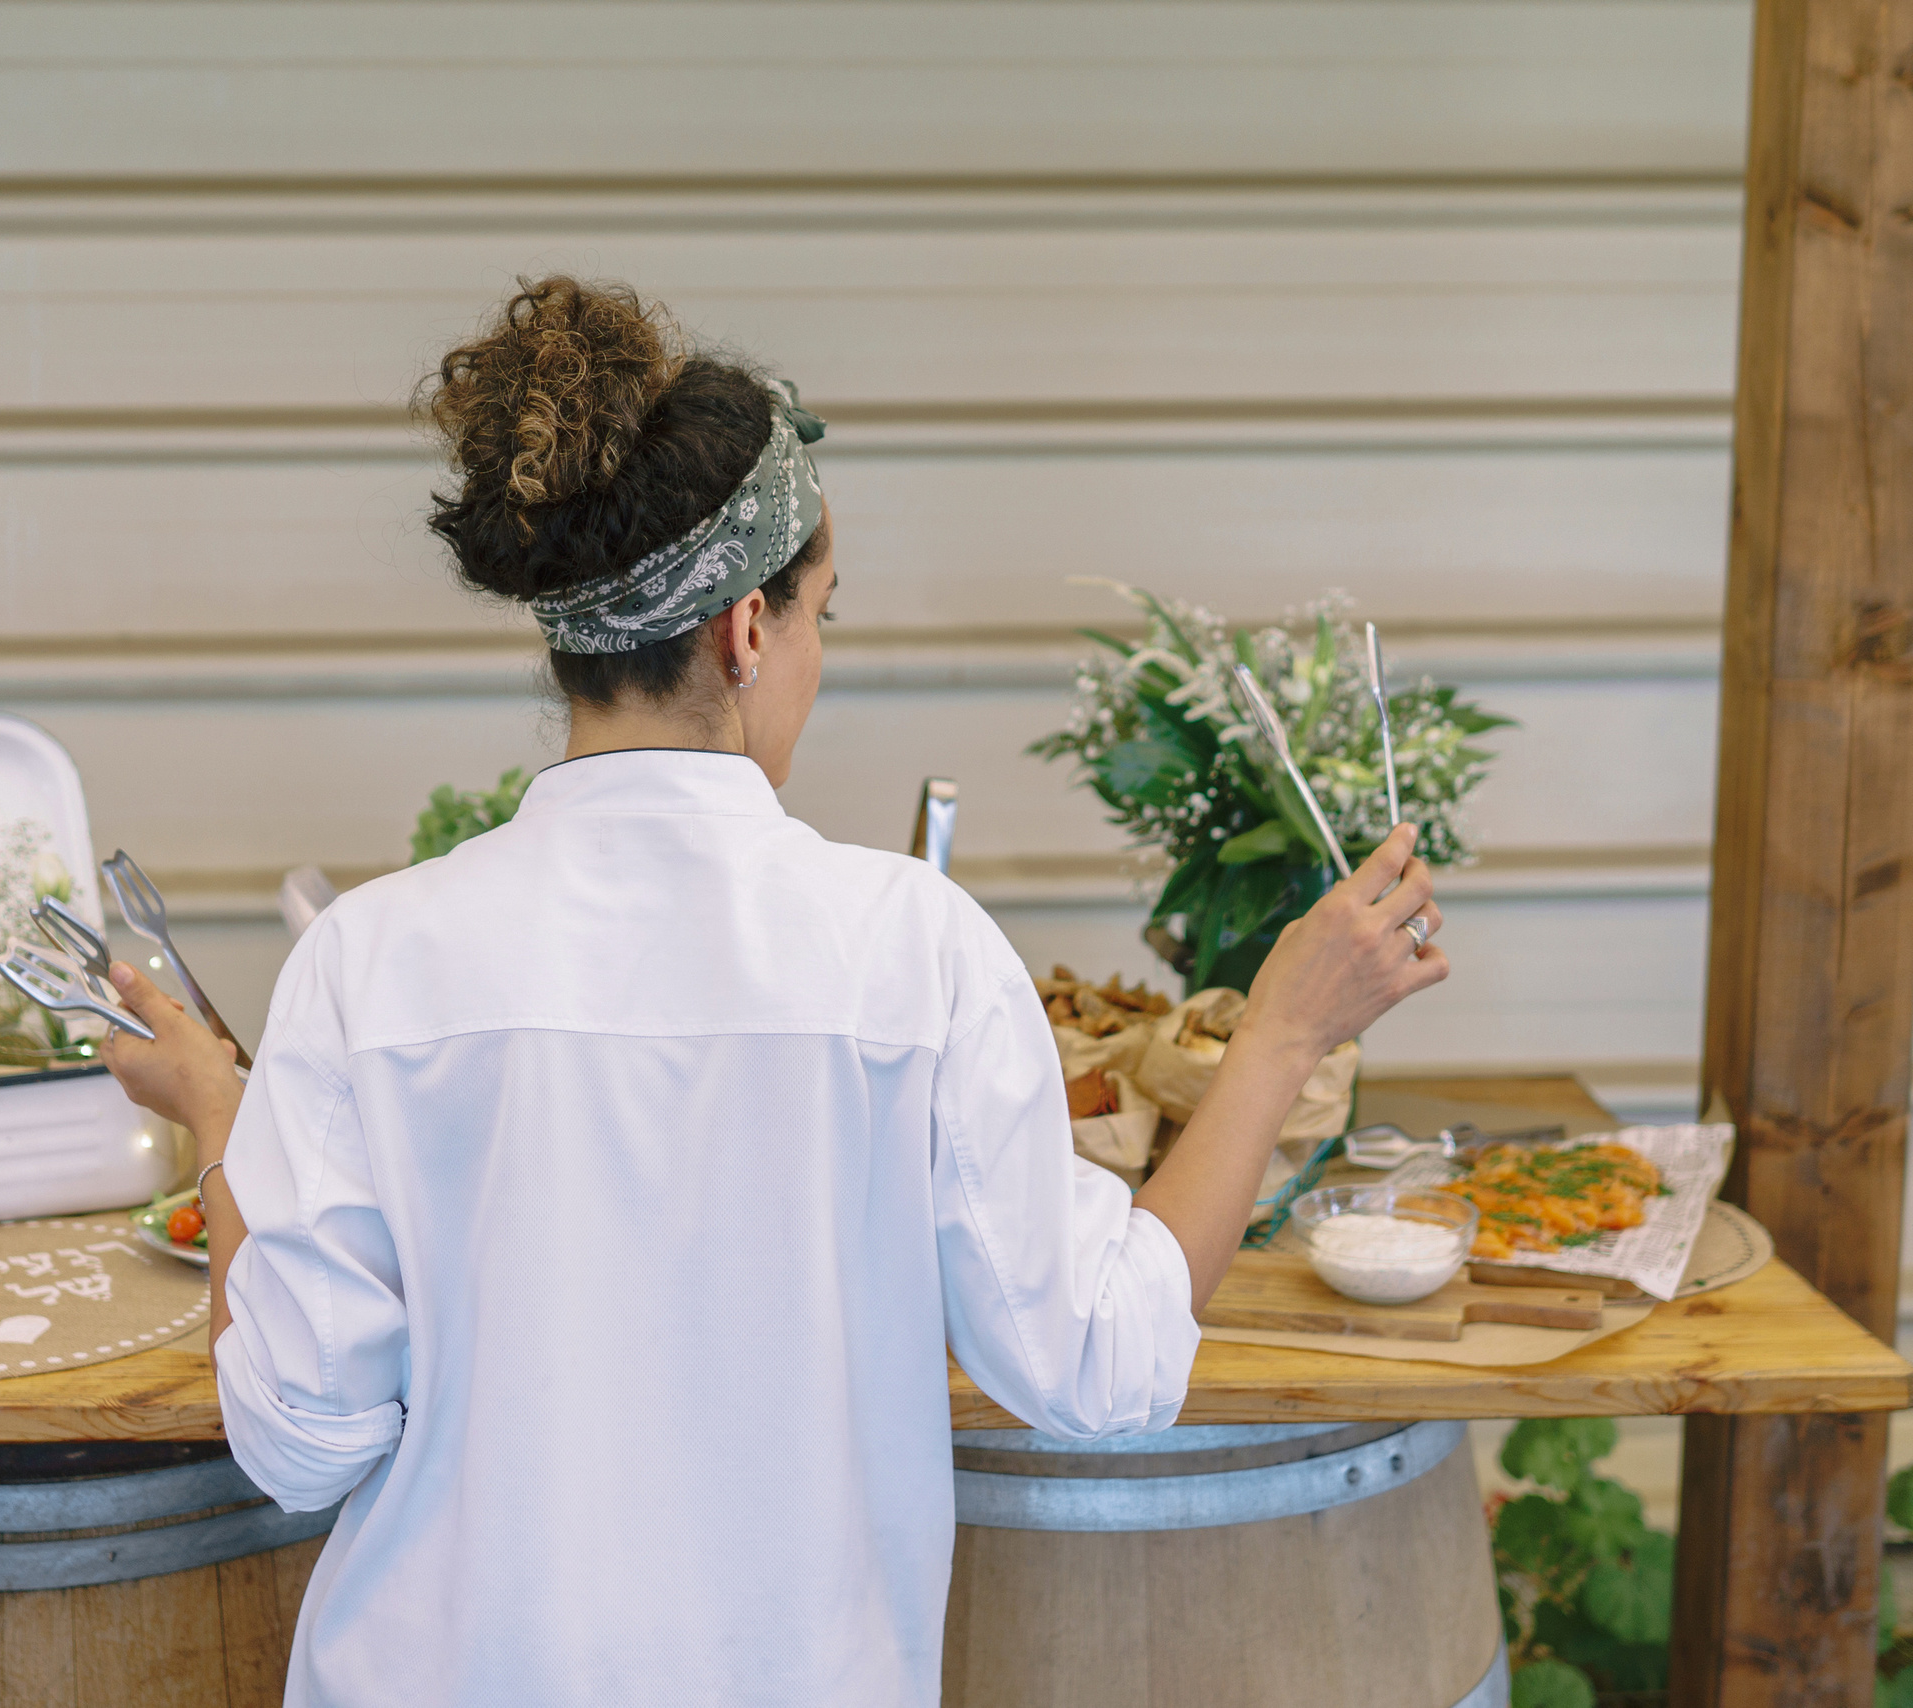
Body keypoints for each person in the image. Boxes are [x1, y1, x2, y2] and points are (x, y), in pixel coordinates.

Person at [98, 276, 1448, 1707]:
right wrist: (1284, 1032)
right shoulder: (910, 952)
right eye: (821, 615)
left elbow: (300, 1439)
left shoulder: (368, 963)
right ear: (748, 631)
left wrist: (219, 1111)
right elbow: (1101, 1364)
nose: (818, 656)